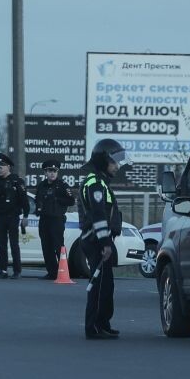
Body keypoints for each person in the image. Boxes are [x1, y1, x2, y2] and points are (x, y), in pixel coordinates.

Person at [81, 138, 130, 340]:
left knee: (107, 285)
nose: (117, 166)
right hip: (96, 241)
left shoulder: (100, 182)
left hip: (101, 240)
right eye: (114, 162)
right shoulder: (95, 184)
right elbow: (99, 216)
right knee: (99, 285)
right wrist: (105, 244)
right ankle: (92, 327)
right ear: (103, 161)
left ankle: (103, 323)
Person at [0, 153, 30, 279]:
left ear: (8, 167)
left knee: (14, 244)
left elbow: (24, 201)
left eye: (1, 167)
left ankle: (17, 271)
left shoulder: (17, 181)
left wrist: (25, 216)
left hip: (12, 217)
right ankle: (3, 270)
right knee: (1, 246)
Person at [35, 159, 76, 279]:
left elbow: (71, 200)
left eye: (54, 171)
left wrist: (57, 199)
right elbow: (38, 199)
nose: (52, 173)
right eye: (49, 171)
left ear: (57, 172)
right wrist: (38, 208)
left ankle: (63, 271)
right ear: (45, 172)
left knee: (58, 245)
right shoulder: (42, 185)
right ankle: (52, 272)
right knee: (46, 246)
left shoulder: (62, 185)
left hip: (56, 220)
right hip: (44, 220)